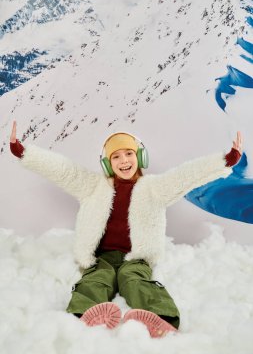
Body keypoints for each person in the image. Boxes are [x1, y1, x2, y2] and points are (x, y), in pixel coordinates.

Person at [10, 121, 242, 337]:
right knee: (95, 280)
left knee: (134, 280)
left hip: (136, 258)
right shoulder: (93, 186)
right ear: (107, 164)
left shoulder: (154, 188)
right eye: (116, 157)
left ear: (139, 156)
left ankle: (162, 318)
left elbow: (185, 176)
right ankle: (85, 314)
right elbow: (63, 170)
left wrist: (224, 161)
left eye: (129, 153)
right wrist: (24, 152)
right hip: (103, 256)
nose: (123, 161)